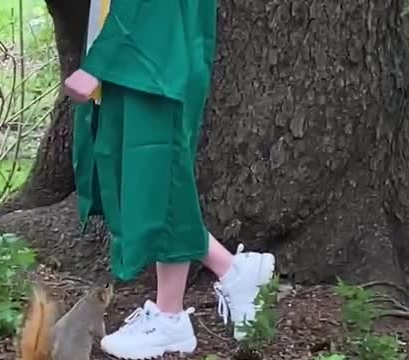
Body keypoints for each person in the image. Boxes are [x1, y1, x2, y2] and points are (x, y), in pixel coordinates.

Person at [64, 1, 276, 358]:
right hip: (148, 52)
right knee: (159, 181)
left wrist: (100, 61)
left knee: (161, 181)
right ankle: (205, 289)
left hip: (153, 54)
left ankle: (175, 315)